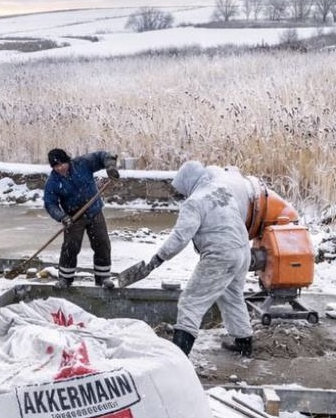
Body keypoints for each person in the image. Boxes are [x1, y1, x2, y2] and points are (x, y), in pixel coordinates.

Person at [136, 160, 254, 357]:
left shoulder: (194, 202)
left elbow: (181, 237)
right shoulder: (222, 190)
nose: (181, 194)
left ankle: (179, 356)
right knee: (232, 296)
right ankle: (244, 343)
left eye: (181, 189)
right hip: (242, 251)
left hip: (220, 255)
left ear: (188, 181)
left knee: (190, 302)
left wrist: (159, 258)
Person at [43, 148, 120, 289]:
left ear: (68, 161)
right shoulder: (52, 181)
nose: (60, 168)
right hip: (73, 217)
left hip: (94, 210)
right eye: (56, 166)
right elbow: (50, 203)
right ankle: (65, 279)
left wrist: (110, 166)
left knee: (102, 243)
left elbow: (102, 155)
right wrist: (62, 217)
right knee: (70, 247)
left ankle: (103, 278)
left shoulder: (82, 164)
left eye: (62, 164)